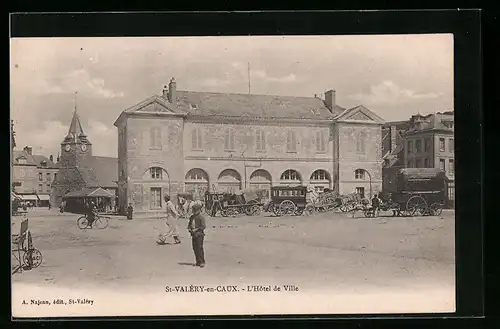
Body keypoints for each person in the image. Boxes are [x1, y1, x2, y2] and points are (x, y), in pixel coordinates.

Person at [188, 203, 206, 267]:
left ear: (197, 210)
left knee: (199, 248)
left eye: (193, 210)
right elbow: (189, 224)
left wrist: (196, 229)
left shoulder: (201, 217)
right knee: (195, 248)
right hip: (193, 235)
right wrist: (190, 229)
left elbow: (203, 226)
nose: (192, 211)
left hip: (199, 235)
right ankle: (198, 261)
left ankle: (202, 261)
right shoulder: (192, 217)